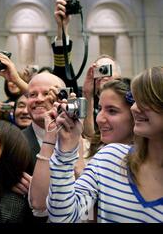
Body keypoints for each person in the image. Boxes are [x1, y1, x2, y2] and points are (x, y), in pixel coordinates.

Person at [47, 66, 163, 223]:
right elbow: (63, 217)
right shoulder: (110, 157)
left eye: (144, 101)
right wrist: (65, 152)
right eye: (135, 101)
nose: (135, 108)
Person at [29, 78, 135, 217]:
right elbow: (39, 205)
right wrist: (52, 135)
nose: (100, 119)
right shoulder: (85, 149)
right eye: (100, 109)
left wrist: (80, 170)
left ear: (135, 114)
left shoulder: (150, 161)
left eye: (112, 111)